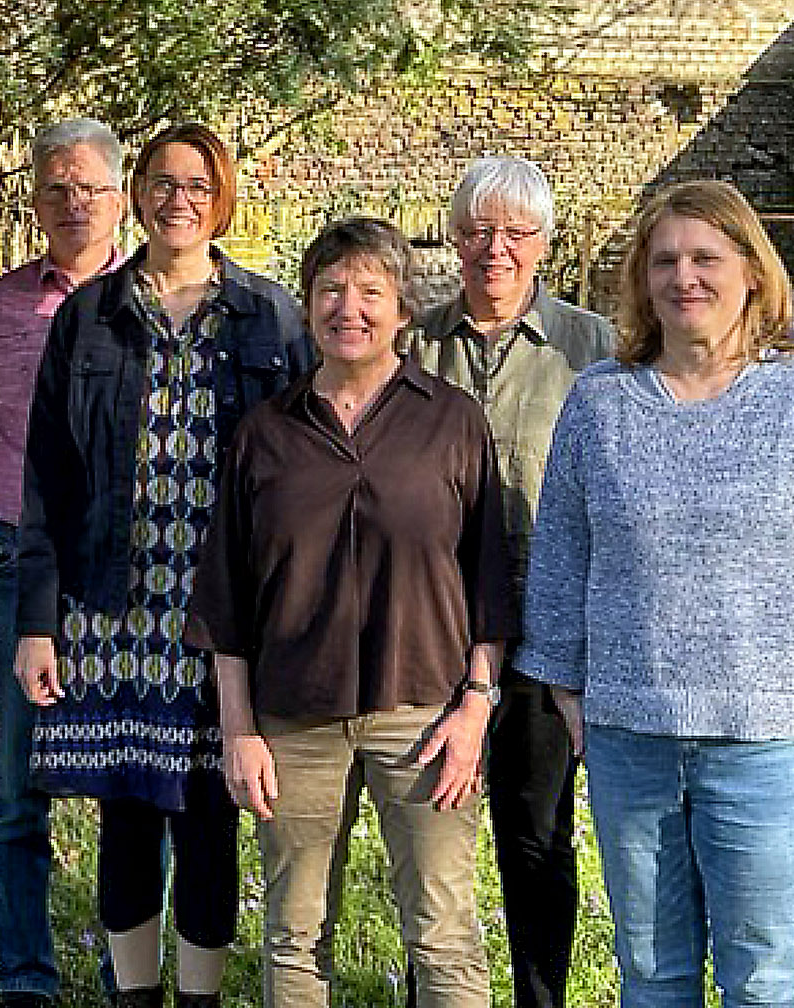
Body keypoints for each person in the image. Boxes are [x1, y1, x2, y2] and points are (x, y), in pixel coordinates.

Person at [516, 179, 794, 1008]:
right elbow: (562, 553)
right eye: (664, 260)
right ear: (642, 278)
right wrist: (566, 690)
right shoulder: (600, 402)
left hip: (771, 747)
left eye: (706, 257)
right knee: (651, 974)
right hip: (631, 739)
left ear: (752, 270)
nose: (685, 278)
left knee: (763, 978)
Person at [13, 121, 314, 1008]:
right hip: (112, 611)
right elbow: (47, 476)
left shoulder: (267, 317)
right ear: (137, 192)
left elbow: (300, 467)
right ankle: (135, 997)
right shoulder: (89, 316)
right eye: (161, 181)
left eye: (197, 184)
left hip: (221, 616)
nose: (177, 199)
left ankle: (201, 1000)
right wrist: (38, 621)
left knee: (211, 817)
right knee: (127, 816)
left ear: (221, 199)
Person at [186, 217, 513, 1008]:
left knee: (444, 934)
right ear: (307, 306)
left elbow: (490, 580)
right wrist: (239, 731)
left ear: (404, 309)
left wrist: (475, 707)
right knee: (295, 938)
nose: (349, 307)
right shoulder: (264, 434)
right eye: (331, 289)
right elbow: (226, 599)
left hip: (425, 715)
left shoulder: (452, 420)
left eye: (371, 290)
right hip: (293, 719)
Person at [404, 157, 613, 1008]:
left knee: (534, 837)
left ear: (545, 244)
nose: (497, 250)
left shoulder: (592, 345)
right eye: (479, 231)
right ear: (454, 239)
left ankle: (538, 997)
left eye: (518, 233)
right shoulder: (411, 341)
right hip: (428, 623)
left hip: (546, 625)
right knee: (428, 834)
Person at [0, 117, 127, 1008]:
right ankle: (26, 975)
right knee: (18, 785)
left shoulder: (147, 301)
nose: (71, 203)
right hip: (19, 558)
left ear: (119, 196)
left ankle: (125, 972)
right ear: (36, 197)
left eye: (88, 187)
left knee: (130, 781)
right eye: (55, 187)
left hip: (127, 572)